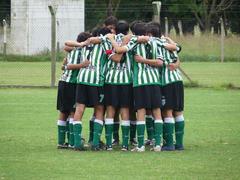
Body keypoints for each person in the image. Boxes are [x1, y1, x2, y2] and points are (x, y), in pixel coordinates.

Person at [107, 22, 164, 152]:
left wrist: (112, 40)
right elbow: (160, 62)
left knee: (141, 112)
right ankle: (158, 145)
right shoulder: (156, 42)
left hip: (140, 82)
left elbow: (120, 51)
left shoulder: (134, 42)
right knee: (156, 111)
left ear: (133, 32)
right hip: (155, 81)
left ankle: (140, 146)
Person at [56, 32, 91, 149]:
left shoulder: (73, 49)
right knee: (71, 111)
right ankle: (71, 142)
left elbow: (66, 47)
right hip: (71, 84)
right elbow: (70, 66)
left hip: (63, 82)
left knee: (63, 111)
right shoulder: (80, 50)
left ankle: (61, 142)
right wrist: (82, 65)